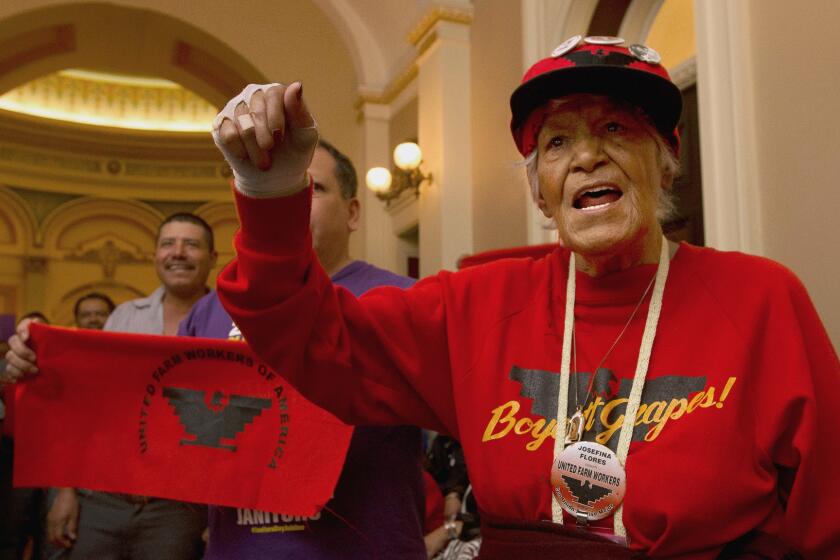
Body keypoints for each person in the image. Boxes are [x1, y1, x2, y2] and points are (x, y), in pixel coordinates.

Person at [204, 37, 839, 558]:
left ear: (665, 160)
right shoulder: (475, 304)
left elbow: (828, 517)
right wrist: (271, 194)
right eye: (557, 142)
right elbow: (310, 341)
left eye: (615, 127)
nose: (588, 155)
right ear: (541, 193)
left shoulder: (760, 299)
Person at [179, 139, 427, 559]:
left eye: (312, 189)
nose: (292, 201)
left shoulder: (406, 299)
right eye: (277, 189)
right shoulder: (213, 307)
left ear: (352, 214)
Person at [8, 214, 214, 559]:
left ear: (212, 258)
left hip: (178, 510)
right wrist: (66, 490)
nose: (178, 252)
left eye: (191, 244)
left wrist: (220, 516)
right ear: (154, 257)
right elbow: (89, 408)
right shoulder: (123, 317)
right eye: (168, 243)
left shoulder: (229, 322)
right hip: (103, 501)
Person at [44, 293, 114, 555]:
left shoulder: (126, 361)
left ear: (114, 318)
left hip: (108, 485)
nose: (94, 319)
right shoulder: (63, 359)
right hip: (67, 471)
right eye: (87, 315)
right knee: (60, 542)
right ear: (77, 320)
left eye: (100, 313)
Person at [0, 313, 48, 560]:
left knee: (49, 531)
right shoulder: (5, 370)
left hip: (51, 457)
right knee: (12, 527)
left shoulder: (64, 372)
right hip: (13, 454)